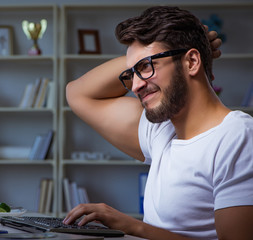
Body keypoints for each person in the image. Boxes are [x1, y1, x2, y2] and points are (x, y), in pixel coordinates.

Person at [64, 6, 253, 240]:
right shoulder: (161, 131)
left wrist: (134, 227)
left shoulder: (238, 136)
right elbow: (76, 93)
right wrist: (141, 58)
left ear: (192, 62)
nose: (134, 86)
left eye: (145, 66)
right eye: (131, 73)